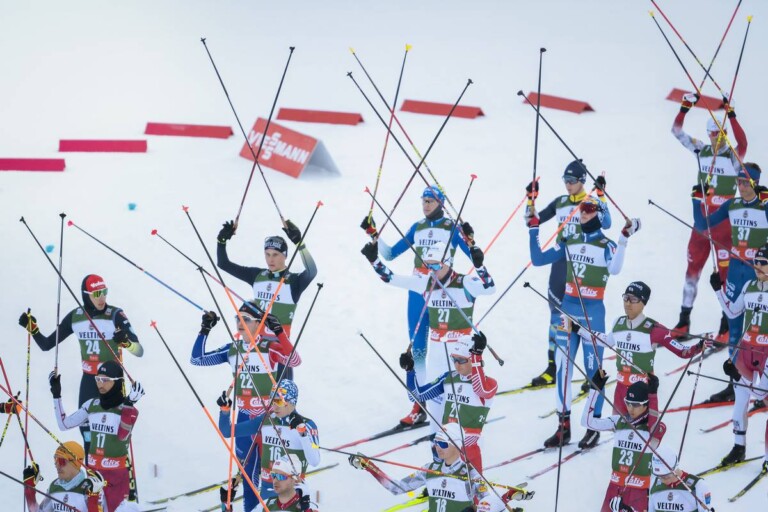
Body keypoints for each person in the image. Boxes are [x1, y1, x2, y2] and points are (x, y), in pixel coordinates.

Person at [529, 197, 640, 448]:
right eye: (581, 209)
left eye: (589, 210)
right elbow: (537, 259)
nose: (583, 213)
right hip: (567, 312)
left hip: (592, 315)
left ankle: (594, 426)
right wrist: (534, 228)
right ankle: (563, 427)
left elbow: (615, 270)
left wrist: (623, 239)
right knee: (563, 369)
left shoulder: (606, 245)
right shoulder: (570, 240)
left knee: (594, 373)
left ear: (599, 215)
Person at [361, 184, 473, 426]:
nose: (425, 205)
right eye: (423, 200)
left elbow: (475, 256)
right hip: (417, 290)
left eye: (430, 201)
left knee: (447, 348)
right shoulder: (417, 227)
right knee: (418, 349)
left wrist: (469, 237)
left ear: (440, 203)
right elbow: (390, 254)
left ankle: (458, 398)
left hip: (442, 292)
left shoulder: (451, 228)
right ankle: (421, 404)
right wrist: (374, 236)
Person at [362, 239, 494, 435]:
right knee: (435, 405)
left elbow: (490, 287)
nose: (431, 269)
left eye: (435, 265)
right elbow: (392, 278)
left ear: (447, 262)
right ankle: (438, 447)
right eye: (427, 265)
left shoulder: (465, 283)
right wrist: (374, 260)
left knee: (459, 405)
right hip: (437, 353)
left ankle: (463, 448)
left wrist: (479, 266)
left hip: (460, 351)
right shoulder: (426, 283)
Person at [191, 301, 301, 511]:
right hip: (243, 417)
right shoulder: (233, 349)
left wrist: (278, 331)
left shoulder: (268, 348)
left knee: (269, 476)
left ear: (259, 324)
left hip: (268, 418)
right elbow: (197, 360)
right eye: (237, 318)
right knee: (249, 475)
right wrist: (205, 329)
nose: (240, 322)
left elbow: (294, 360)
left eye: (246, 319)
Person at [568, 281, 706, 446]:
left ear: (643, 302)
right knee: (620, 436)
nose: (628, 303)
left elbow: (682, 351)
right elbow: (605, 341)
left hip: (642, 394)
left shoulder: (654, 329)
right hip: (621, 390)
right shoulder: (619, 323)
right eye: (626, 298)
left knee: (647, 440)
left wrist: (699, 347)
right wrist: (578, 329)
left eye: (633, 299)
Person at [18, 275, 142, 453]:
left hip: (112, 381)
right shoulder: (76, 317)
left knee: (115, 436)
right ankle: (93, 477)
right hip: (89, 381)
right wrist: (34, 330)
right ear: (86, 295)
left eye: (104, 292)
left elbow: (139, 351)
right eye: (97, 293)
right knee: (88, 436)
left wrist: (127, 343)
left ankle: (118, 474)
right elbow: (46, 345)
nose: (102, 298)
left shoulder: (115, 314)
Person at [525, 160, 612, 387]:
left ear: (582, 181)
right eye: (565, 180)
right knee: (556, 316)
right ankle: (553, 368)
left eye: (572, 181)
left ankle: (592, 373)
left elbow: (608, 223)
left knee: (585, 320)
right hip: (560, 262)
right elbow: (532, 220)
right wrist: (530, 199)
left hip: (585, 262)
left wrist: (602, 195)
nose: (568, 185)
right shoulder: (561, 202)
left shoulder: (589, 202)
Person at [671, 93, 747, 341]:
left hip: (725, 225)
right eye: (712, 134)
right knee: (692, 269)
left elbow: (743, 143)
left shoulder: (732, 158)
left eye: (719, 133)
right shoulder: (701, 151)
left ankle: (726, 325)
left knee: (724, 276)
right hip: (701, 223)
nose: (716, 138)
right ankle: (683, 321)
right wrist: (684, 107)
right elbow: (676, 130)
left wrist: (732, 114)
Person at [693, 162, 768, 402]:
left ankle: (763, 385)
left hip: (759, 272)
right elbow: (703, 225)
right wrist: (697, 199)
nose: (741, 186)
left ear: (755, 183)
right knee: (734, 325)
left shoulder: (764, 206)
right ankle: (735, 383)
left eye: (746, 182)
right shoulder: (732, 205)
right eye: (739, 181)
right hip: (736, 271)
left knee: (760, 327)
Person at [348, 422, 533, 512]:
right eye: (436, 443)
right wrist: (368, 465)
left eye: (443, 444)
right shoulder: (430, 469)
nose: (437, 447)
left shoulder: (468, 473)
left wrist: (507, 498)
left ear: (457, 445)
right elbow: (396, 488)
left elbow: (487, 504)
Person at [51, 361, 144, 512]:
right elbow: (64, 424)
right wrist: (56, 394)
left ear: (117, 381)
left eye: (105, 380)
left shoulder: (128, 410)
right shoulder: (92, 405)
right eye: (98, 379)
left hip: (116, 476)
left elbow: (122, 435)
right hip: (93, 472)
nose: (100, 384)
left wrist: (129, 403)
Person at [402, 332, 497, 470]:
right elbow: (417, 396)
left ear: (473, 358)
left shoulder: (489, 383)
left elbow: (480, 390)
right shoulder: (449, 378)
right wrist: (410, 370)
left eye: (462, 360)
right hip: (446, 444)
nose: (457, 365)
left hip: (468, 446)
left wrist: (477, 355)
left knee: (470, 490)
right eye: (454, 360)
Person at [712, 243, 768, 468]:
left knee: (763, 398)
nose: (758, 267)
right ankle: (738, 447)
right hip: (746, 350)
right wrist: (718, 290)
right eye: (756, 263)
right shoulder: (749, 286)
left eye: (763, 264)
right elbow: (733, 312)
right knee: (740, 402)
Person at [218, 378, 320, 502]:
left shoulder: (308, 425)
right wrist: (224, 411)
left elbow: (314, 461)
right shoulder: (266, 419)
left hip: (292, 493)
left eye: (279, 401)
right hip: (267, 491)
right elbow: (227, 431)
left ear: (292, 402)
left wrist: (302, 434)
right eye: (272, 400)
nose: (274, 405)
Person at [581, 374, 665, 512]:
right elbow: (587, 422)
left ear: (646, 404)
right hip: (614, 486)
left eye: (636, 405)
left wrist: (653, 396)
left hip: (638, 490)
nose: (631, 409)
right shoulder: (619, 421)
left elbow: (654, 429)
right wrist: (594, 390)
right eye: (628, 403)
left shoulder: (654, 429)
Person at [608, 445, 713, 512]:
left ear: (676, 467)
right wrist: (627, 509)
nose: (663, 480)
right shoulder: (654, 483)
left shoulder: (698, 486)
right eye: (659, 477)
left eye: (667, 476)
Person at [22, 441, 108, 512]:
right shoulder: (55, 487)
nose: (57, 465)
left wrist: (93, 496)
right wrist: (29, 488)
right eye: (55, 460)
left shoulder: (91, 487)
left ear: (76, 463)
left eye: (61, 461)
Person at [250, 455, 318, 511]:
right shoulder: (265, 505)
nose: (275, 480)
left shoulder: (307, 506)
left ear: (295, 479)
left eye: (281, 477)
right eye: (273, 475)